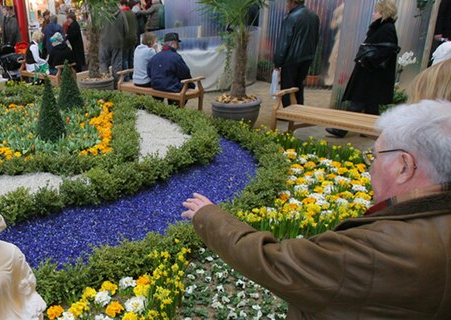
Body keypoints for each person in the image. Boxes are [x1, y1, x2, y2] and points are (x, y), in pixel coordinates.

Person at [182, 99, 451, 319]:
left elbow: (275, 262)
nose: (370, 166)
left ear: (404, 166)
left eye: (375, 155)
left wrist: (208, 215)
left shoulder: (379, 249)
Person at [327, 0, 398, 138]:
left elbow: (386, 51)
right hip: (371, 75)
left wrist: (367, 60)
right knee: (371, 105)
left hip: (371, 74)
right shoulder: (382, 27)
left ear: (384, 12)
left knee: (357, 102)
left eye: (376, 11)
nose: (373, 13)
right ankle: (371, 130)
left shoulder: (386, 28)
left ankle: (342, 129)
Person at [273, 0, 319, 108]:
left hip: (292, 58)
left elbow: (284, 42)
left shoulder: (291, 18)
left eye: (287, 2)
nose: (286, 5)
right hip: (307, 56)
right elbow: (316, 38)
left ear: (294, 2)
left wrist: (278, 61)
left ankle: (288, 112)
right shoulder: (314, 16)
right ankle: (299, 108)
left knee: (287, 86)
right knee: (299, 84)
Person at [99, 6, 128, 88]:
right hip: (117, 42)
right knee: (116, 65)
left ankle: (106, 84)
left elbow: (98, 28)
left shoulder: (102, 14)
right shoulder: (121, 13)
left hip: (104, 42)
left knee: (103, 63)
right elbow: (126, 29)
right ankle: (116, 85)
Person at [121, 0, 138, 81]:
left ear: (123, 4)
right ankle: (132, 75)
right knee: (131, 58)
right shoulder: (131, 12)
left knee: (124, 59)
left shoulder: (123, 14)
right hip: (133, 38)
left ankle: (127, 77)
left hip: (126, 39)